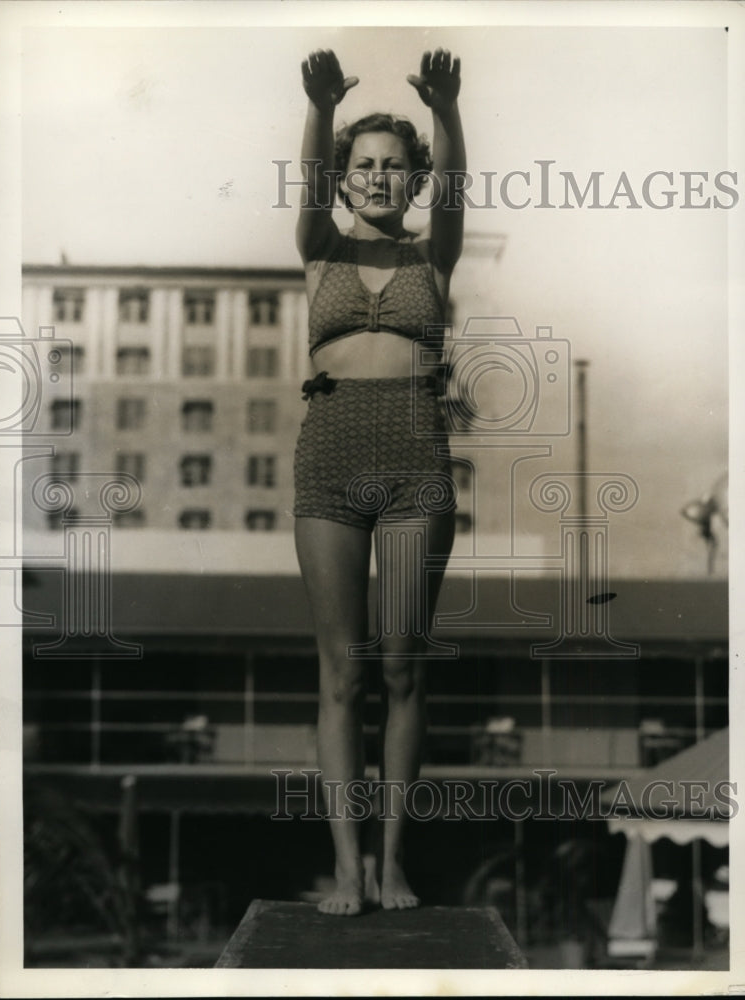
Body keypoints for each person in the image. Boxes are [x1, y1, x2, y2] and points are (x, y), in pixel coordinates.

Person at [293, 48, 465, 916]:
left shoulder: (433, 258)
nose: (378, 176)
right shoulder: (318, 252)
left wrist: (447, 111)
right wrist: (323, 110)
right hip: (328, 455)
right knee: (340, 674)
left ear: (414, 179)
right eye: (363, 166)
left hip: (413, 461)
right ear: (345, 178)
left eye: (395, 165)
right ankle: (348, 866)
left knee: (401, 669)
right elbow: (310, 180)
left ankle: (394, 863)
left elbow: (460, 186)